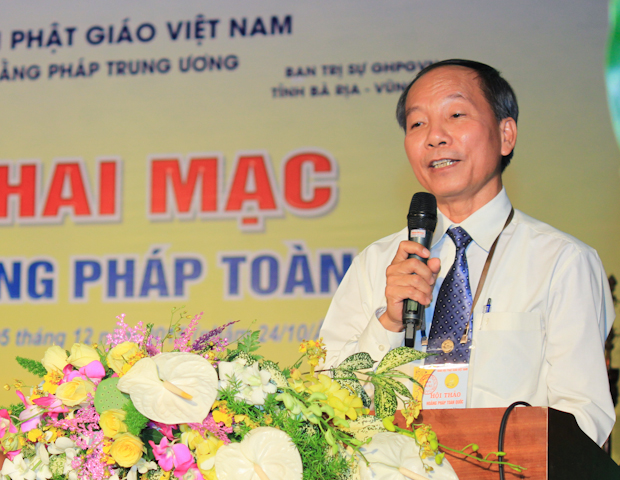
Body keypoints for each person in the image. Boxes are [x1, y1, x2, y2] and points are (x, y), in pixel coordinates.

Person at [319, 59, 616, 446]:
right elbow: (325, 405)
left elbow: (583, 417)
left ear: (506, 135)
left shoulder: (562, 262)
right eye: (417, 123)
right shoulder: (376, 264)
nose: (434, 137)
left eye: (456, 115)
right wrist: (389, 323)